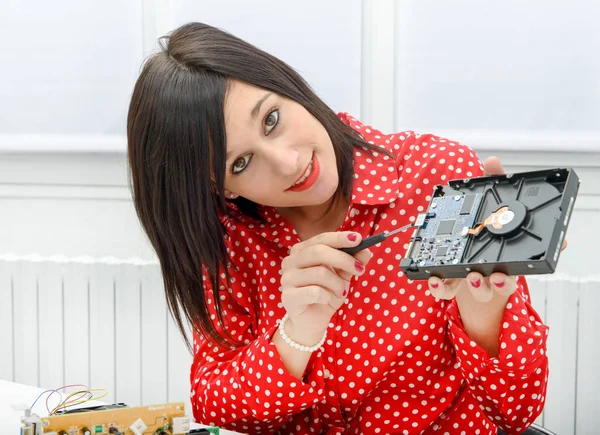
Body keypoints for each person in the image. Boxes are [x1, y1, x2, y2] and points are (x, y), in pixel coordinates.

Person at [127, 22, 550, 435]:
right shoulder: (228, 237)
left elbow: (516, 413)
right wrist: (297, 335)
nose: (288, 163)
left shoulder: (440, 175)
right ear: (221, 189)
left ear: (288, 86)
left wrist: (485, 315)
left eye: (272, 119)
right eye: (241, 163)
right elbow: (214, 402)